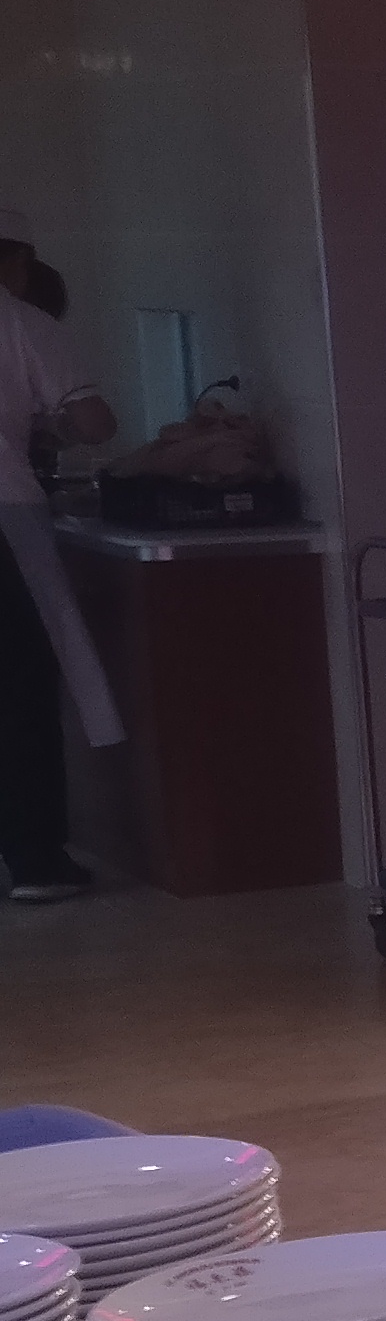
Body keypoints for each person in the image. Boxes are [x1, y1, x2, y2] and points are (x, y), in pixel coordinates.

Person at [0, 212, 120, 904]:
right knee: (18, 686)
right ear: (16, 260)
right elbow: (96, 423)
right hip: (4, 513)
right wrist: (52, 425)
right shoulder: (23, 323)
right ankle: (36, 860)